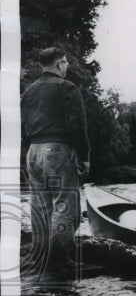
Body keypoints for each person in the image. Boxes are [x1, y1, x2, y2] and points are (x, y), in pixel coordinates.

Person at [21, 47, 90, 281]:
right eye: (66, 62)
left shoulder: (28, 92)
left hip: (33, 151)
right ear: (59, 63)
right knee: (63, 203)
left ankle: (39, 257)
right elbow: (77, 127)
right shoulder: (67, 88)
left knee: (40, 205)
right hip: (56, 151)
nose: (67, 66)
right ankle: (58, 261)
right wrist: (84, 156)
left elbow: (21, 126)